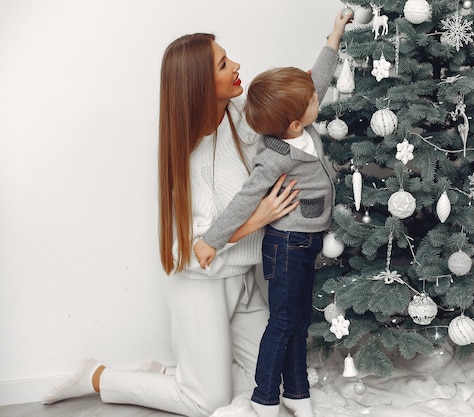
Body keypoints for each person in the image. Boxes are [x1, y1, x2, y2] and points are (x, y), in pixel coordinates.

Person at [41, 22, 307, 417]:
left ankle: (177, 373)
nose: (236, 64)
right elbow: (190, 249)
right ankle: (97, 377)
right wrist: (258, 219)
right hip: (202, 288)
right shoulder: (190, 160)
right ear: (200, 84)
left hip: (246, 278)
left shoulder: (239, 116)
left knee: (277, 382)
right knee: (206, 403)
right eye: (222, 64)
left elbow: (284, 121)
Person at [193, 10, 352, 417]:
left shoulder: (298, 121)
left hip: (306, 241)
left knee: (299, 321)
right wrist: (211, 240)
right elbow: (244, 200)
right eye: (314, 100)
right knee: (282, 324)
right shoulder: (276, 155)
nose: (319, 95)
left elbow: (316, 77)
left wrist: (335, 34)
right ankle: (264, 399)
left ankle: (297, 393)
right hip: (286, 246)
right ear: (297, 121)